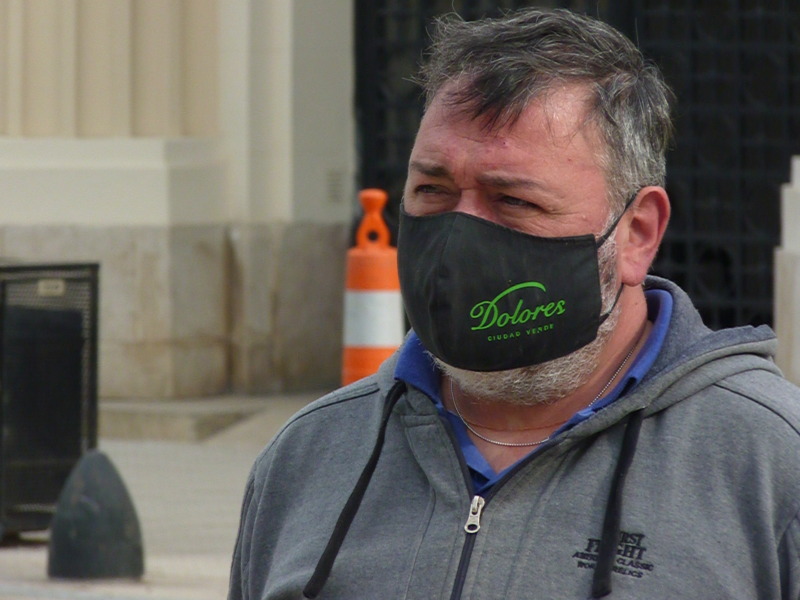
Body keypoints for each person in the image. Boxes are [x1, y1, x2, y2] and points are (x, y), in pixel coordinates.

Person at [229, 8, 800, 600]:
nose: (459, 241)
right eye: (432, 190)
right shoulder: (307, 457)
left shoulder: (770, 465)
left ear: (637, 233)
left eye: (513, 200)